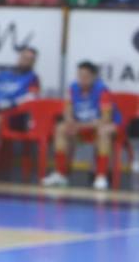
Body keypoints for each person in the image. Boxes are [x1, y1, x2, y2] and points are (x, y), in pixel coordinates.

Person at [44, 61, 119, 191]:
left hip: (98, 127)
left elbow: (105, 119)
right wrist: (69, 121)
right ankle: (61, 174)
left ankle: (100, 177)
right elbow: (67, 109)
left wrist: (79, 126)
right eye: (79, 75)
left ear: (94, 77)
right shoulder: (73, 88)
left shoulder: (102, 90)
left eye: (86, 76)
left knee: (103, 131)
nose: (82, 79)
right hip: (81, 127)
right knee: (61, 128)